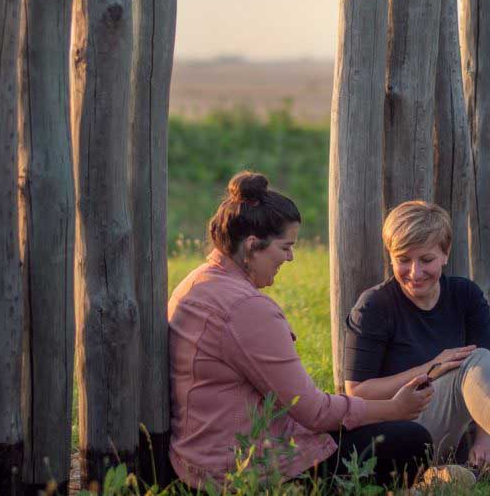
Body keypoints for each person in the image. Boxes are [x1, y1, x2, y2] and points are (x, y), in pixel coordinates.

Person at [167, 172, 436, 489]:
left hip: (197, 460)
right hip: (240, 470)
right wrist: (393, 408)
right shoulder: (246, 308)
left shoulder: (197, 282)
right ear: (253, 246)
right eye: (286, 247)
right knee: (413, 441)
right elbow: (313, 412)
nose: (291, 257)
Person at [344, 201, 490, 482]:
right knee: (472, 357)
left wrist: (485, 440)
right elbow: (356, 393)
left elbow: (486, 378)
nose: (415, 272)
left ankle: (478, 465)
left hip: (468, 428)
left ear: (445, 254)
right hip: (408, 429)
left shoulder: (465, 295)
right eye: (403, 259)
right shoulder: (374, 306)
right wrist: (431, 367)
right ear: (391, 257)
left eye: (426, 260)